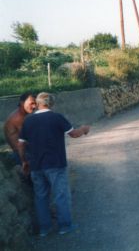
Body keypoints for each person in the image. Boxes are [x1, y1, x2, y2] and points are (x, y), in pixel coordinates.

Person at [17, 92, 90, 236]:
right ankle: (65, 226)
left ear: (37, 104)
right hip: (55, 164)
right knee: (61, 195)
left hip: (36, 166)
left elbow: (20, 144)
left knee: (41, 197)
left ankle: (45, 228)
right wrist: (84, 129)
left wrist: (24, 161)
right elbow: (74, 134)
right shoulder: (57, 118)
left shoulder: (28, 121)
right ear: (51, 104)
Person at [3, 92, 36, 170]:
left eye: (35, 103)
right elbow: (29, 139)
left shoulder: (22, 115)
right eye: (31, 103)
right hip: (22, 155)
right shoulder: (18, 118)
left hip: (23, 152)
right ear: (22, 103)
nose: (34, 106)